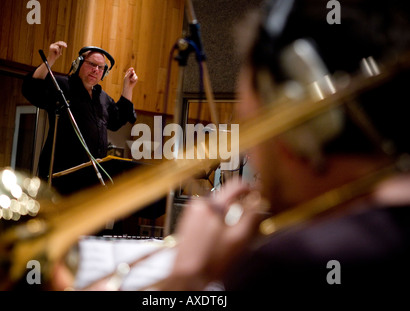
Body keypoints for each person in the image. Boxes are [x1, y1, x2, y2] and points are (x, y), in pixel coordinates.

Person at [156, 0, 410, 291]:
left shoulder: (290, 263)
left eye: (255, 126)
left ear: (303, 126)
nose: (251, 152)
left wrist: (186, 281)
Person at [22, 41, 138, 195]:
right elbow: (32, 88)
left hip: (92, 181)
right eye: (91, 64)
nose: (96, 70)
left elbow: (117, 120)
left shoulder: (102, 98)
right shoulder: (62, 86)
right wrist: (50, 59)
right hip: (61, 177)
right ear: (78, 64)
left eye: (101, 67)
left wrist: (127, 87)